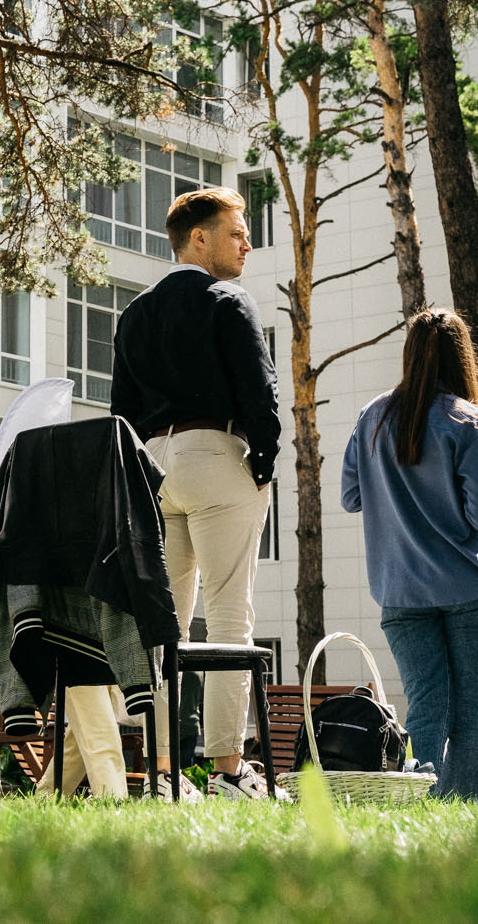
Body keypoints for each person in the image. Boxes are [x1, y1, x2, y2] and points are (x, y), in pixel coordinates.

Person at [110, 186, 281, 801]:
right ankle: (230, 771)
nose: (247, 243)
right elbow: (259, 391)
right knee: (231, 613)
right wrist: (262, 462)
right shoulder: (228, 298)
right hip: (216, 456)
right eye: (237, 232)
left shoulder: (134, 315)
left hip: (155, 465)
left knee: (167, 623)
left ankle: (162, 771)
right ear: (199, 239)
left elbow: (120, 415)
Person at [342, 307, 478, 801]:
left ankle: (421, 814)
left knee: (426, 708)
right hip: (470, 585)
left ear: (409, 354)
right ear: (463, 359)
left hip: (401, 591)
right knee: (474, 712)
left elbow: (351, 497)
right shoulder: (468, 420)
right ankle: (461, 816)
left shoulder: (372, 416)